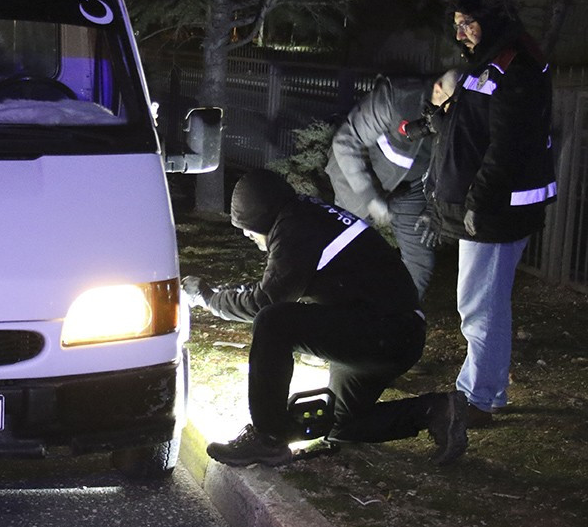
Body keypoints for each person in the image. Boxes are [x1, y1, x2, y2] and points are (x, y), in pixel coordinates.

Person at [182, 169, 468, 468]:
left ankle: (267, 438)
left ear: (260, 219)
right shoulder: (304, 214)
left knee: (273, 322)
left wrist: (209, 298)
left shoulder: (296, 228)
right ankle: (436, 410)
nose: (247, 236)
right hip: (391, 330)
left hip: (386, 332)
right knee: (341, 426)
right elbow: (274, 287)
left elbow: (265, 299)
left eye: (247, 229)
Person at [424, 0, 557, 427]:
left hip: (497, 211)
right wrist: (439, 112)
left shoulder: (516, 64)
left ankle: (477, 400)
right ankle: (486, 392)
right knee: (485, 303)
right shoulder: (486, 61)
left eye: (468, 23)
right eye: (457, 24)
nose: (460, 33)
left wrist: (478, 204)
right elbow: (470, 133)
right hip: (483, 207)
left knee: (479, 306)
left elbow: (507, 147)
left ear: (492, 19)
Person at [325, 70, 459, 298]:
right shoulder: (395, 97)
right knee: (344, 251)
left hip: (413, 189)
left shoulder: (460, 118)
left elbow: (452, 168)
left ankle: (396, 319)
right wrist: (369, 196)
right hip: (359, 181)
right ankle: (335, 311)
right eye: (453, 105)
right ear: (438, 90)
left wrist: (433, 208)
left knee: (420, 262)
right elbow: (346, 141)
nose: (456, 115)